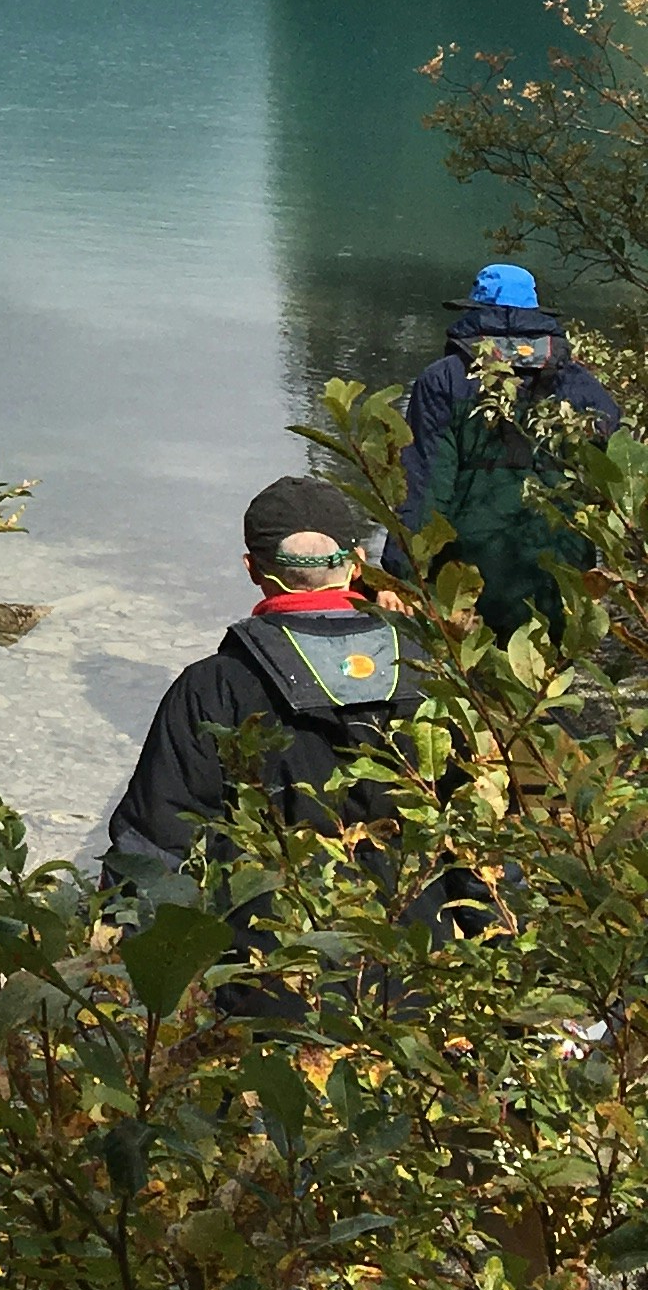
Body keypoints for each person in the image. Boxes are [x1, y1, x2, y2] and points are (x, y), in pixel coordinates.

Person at [106, 476, 426, 877]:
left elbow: (156, 845)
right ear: (358, 562)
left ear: (252, 570)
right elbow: (481, 836)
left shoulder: (212, 687)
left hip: (268, 930)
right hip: (411, 929)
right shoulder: (429, 671)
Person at [400, 260, 623, 635]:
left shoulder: (444, 380)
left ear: (475, 312)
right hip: (560, 577)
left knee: (474, 684)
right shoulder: (584, 387)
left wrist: (404, 573)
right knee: (544, 684)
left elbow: (425, 483)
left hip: (468, 582)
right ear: (537, 313)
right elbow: (611, 484)